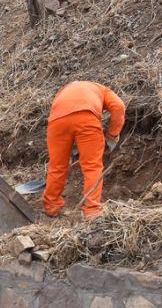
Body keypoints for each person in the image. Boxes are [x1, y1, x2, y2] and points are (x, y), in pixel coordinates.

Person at [42, 81, 126, 220]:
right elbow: (119, 106)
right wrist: (112, 134)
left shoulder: (66, 88)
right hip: (87, 119)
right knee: (92, 167)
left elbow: (67, 115)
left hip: (57, 121)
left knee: (57, 166)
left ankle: (51, 207)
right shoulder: (104, 91)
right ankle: (92, 211)